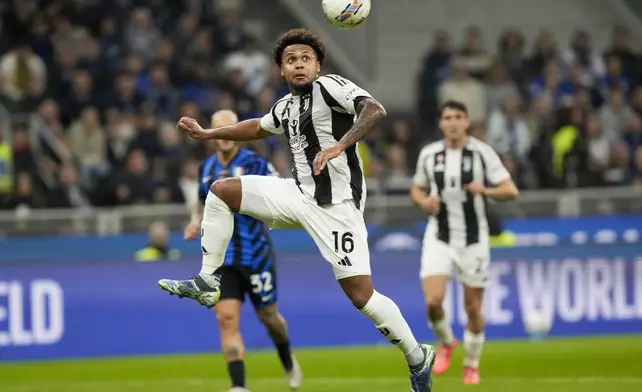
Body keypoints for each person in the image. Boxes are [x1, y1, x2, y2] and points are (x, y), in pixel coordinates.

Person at [159, 28, 436, 392]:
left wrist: (340, 146)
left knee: (361, 296)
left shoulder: (330, 86)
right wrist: (209, 134)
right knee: (221, 191)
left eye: (306, 58)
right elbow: (257, 127)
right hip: (297, 194)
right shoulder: (287, 106)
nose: (299, 64)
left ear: (317, 65)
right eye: (291, 60)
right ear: (282, 71)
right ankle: (209, 281)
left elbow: (374, 110)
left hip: (337, 207)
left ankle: (417, 356)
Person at [183, 110, 302, 392]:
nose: (224, 134)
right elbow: (201, 204)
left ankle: (286, 358)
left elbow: (282, 193)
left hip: (256, 256)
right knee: (226, 318)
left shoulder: (256, 163)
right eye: (218, 128)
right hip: (222, 259)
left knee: (270, 319)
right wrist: (194, 221)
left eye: (229, 127)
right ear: (211, 134)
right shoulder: (206, 169)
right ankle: (238, 386)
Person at [410, 100, 519, 385]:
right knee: (433, 302)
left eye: (459, 116)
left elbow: (510, 190)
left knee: (473, 307)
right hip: (439, 236)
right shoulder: (430, 154)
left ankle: (471, 363)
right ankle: (447, 341)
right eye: (448, 117)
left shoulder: (482, 153)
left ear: (467, 122)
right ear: (441, 123)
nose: (454, 122)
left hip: (473, 239)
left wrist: (486, 190)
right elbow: (416, 189)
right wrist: (424, 201)